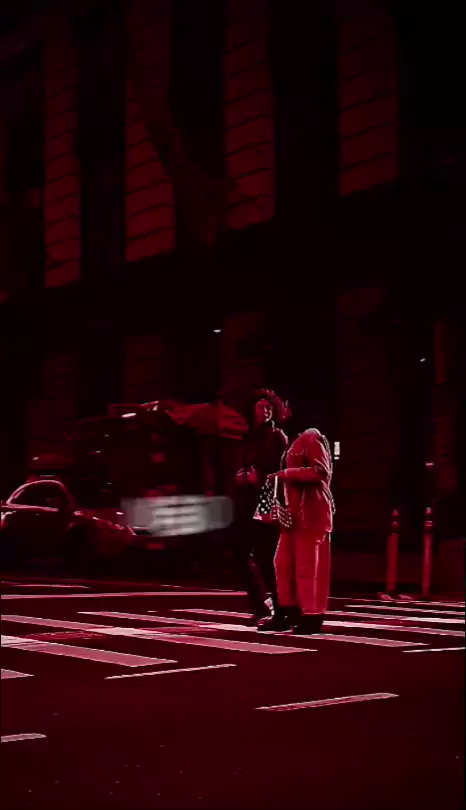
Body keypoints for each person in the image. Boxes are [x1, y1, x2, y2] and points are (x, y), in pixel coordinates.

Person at [258, 426, 334, 634]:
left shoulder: (311, 437)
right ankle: (289, 613)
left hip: (311, 513)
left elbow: (321, 471)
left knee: (307, 567)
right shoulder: (294, 440)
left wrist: (286, 474)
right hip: (293, 515)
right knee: (283, 564)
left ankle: (312, 615)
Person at [232, 390, 289, 623]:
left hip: (267, 500)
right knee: (240, 555)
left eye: (268, 407)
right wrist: (240, 476)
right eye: (260, 407)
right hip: (246, 501)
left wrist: (260, 478)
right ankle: (260, 605)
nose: (264, 411)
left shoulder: (277, 437)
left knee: (266, 557)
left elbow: (284, 471)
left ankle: (279, 607)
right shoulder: (247, 438)